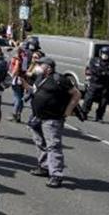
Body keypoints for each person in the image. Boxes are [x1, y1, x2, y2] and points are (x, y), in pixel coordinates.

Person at [27, 59, 80, 188]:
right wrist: (23, 84)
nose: (38, 67)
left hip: (52, 119)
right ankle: (44, 167)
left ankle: (56, 175)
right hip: (37, 117)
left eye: (41, 65)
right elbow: (35, 91)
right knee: (40, 142)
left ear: (49, 68)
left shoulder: (60, 79)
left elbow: (76, 94)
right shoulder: (40, 77)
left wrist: (68, 111)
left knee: (53, 146)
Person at [80, 45, 109, 122]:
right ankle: (84, 113)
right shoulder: (94, 60)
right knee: (88, 99)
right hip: (94, 83)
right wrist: (101, 73)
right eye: (104, 53)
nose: (105, 55)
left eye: (107, 54)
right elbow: (92, 69)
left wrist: (102, 73)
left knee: (103, 102)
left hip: (105, 85)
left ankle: (99, 116)